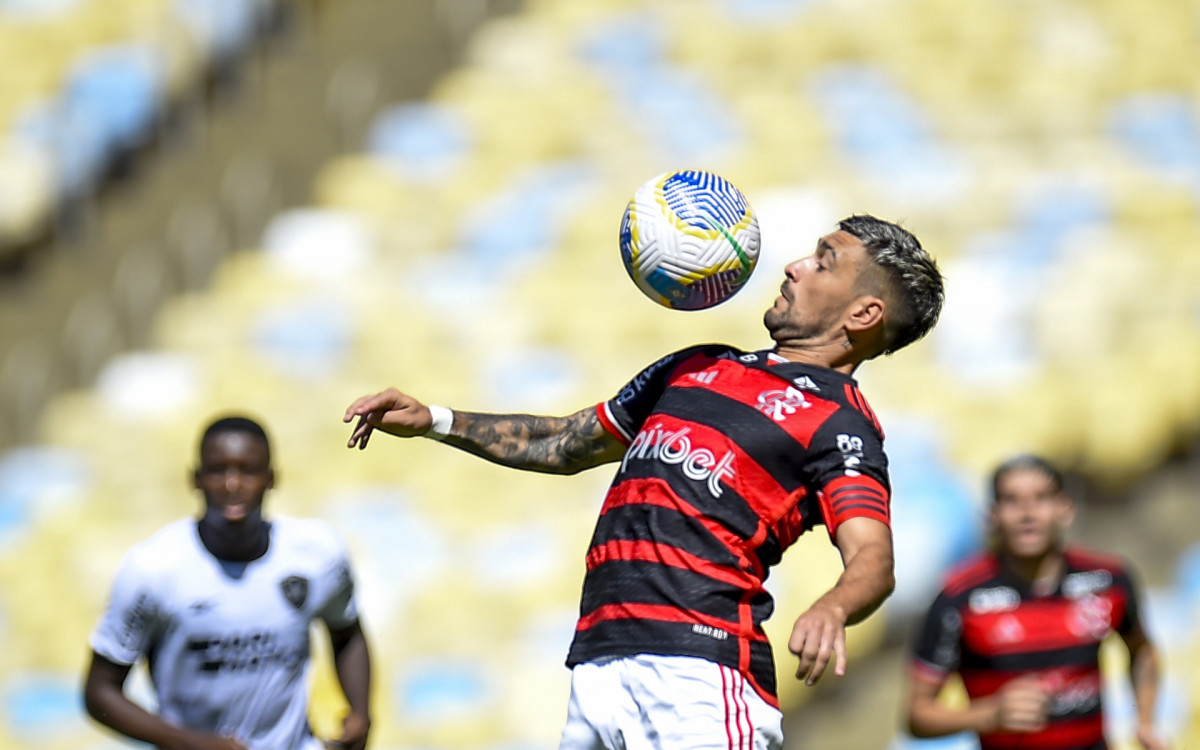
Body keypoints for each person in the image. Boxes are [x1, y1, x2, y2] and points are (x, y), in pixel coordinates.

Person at [344, 214, 944, 749]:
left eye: (823, 260)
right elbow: (565, 442)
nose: (793, 266)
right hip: (599, 664)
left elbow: (872, 555)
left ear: (864, 314)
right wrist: (436, 421)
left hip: (700, 674)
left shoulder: (840, 424)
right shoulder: (698, 364)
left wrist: (834, 607)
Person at [84, 415, 372, 750]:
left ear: (271, 478)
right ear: (196, 479)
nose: (232, 484)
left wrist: (361, 714)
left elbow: (347, 633)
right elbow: (99, 692)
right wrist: (192, 743)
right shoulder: (152, 568)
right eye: (218, 470)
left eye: (248, 470)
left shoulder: (318, 553)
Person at [905, 454, 1167, 750]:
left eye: (1041, 498)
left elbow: (1142, 652)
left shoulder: (1109, 581)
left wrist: (1145, 722)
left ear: (1065, 509)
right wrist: (990, 714)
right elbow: (917, 717)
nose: (1027, 513)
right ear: (991, 516)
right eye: (1012, 501)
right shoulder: (959, 598)